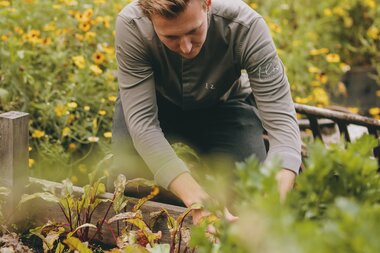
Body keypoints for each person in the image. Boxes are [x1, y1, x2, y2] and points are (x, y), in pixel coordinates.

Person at [109, 0, 302, 223]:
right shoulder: (131, 25)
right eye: (170, 37)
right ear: (149, 17)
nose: (186, 47)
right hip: (155, 107)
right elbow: (143, 126)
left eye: (194, 30)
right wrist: (196, 199)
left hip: (224, 107)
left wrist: (274, 195)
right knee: (128, 186)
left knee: (248, 193)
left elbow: (283, 129)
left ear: (207, 3)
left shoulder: (247, 26)